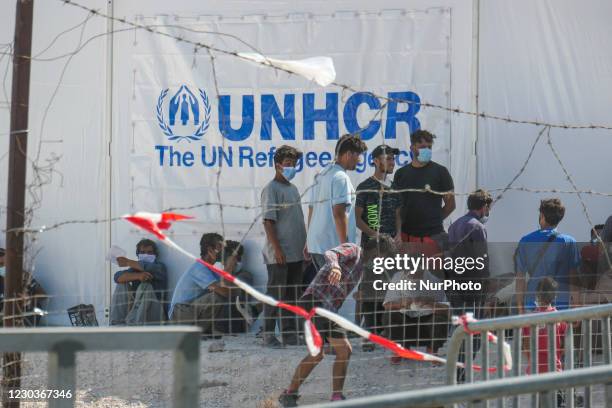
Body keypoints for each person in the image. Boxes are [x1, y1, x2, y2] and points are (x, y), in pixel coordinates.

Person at [278, 236, 397, 407]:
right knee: (328, 352)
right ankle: (297, 394)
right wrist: (335, 266)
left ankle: (324, 396)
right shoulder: (354, 250)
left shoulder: (362, 269)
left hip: (329, 310)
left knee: (335, 352)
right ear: (377, 251)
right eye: (384, 257)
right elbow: (331, 253)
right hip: (315, 302)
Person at [354, 144, 401, 350]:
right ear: (375, 160)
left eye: (393, 159)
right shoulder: (365, 186)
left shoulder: (394, 186)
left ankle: (386, 331)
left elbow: (398, 214)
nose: (392, 163)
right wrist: (377, 236)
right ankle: (370, 333)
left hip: (392, 247)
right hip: (373, 248)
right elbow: (358, 219)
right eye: (388, 159)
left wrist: (398, 234)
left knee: (391, 289)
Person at [261, 145, 307, 348]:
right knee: (275, 294)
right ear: (277, 165)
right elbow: (268, 222)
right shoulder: (271, 189)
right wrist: (277, 250)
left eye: (294, 164)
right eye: (288, 164)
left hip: (296, 253)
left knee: (291, 295)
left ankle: (289, 334)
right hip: (280, 254)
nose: (291, 168)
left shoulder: (293, 189)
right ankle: (268, 334)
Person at [447, 189, 492, 380]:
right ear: (484, 207)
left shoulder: (454, 225)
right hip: (473, 286)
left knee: (460, 329)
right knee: (473, 332)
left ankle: (457, 373)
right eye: (489, 208)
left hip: (455, 285)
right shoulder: (477, 227)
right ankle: (463, 375)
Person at [306, 134, 368, 271]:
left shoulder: (322, 174)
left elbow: (312, 209)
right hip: (331, 247)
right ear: (349, 154)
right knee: (334, 290)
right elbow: (339, 214)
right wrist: (344, 247)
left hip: (316, 244)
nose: (359, 160)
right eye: (358, 155)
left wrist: (308, 241)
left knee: (325, 289)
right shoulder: (341, 177)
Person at [392, 129, 455, 257]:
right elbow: (397, 208)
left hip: (433, 237)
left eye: (429, 147)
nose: (426, 150)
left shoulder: (440, 172)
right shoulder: (401, 174)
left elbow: (450, 206)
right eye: (422, 147)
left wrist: (433, 221)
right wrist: (398, 232)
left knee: (433, 276)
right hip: (407, 238)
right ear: (412, 148)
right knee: (408, 275)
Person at [516, 199, 580, 314]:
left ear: (542, 215)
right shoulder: (569, 242)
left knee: (533, 332)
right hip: (561, 306)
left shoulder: (525, 241)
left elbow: (520, 278)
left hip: (533, 304)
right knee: (559, 333)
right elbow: (573, 278)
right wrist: (576, 306)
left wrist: (521, 309)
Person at [383, 264, 450, 364]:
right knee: (389, 316)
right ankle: (400, 348)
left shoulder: (433, 280)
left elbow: (447, 309)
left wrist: (430, 303)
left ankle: (433, 349)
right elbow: (387, 305)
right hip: (405, 319)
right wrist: (402, 303)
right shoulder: (398, 277)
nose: (412, 276)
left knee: (440, 320)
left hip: (427, 322)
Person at [170, 233, 231, 336]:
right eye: (220, 247)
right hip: (180, 313)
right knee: (217, 297)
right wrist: (229, 267)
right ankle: (198, 332)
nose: (223, 252)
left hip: (188, 311)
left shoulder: (210, 269)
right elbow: (224, 292)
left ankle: (201, 331)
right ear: (210, 250)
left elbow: (228, 288)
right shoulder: (200, 268)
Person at [110, 239, 167, 325]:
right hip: (136, 312)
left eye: (149, 252)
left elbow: (148, 268)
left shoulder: (160, 267)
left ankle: (134, 325)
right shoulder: (134, 269)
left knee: (145, 286)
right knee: (122, 284)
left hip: (155, 314)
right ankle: (116, 324)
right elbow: (117, 277)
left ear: (155, 255)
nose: (146, 255)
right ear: (138, 254)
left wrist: (128, 262)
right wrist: (138, 276)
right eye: (143, 252)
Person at [579, 224, 605, 292]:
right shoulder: (586, 252)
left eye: (602, 238)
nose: (599, 240)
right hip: (589, 294)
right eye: (596, 238)